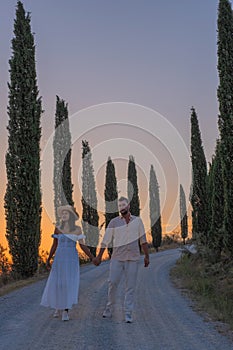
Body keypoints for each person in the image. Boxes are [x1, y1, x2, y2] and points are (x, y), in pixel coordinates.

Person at [94, 196, 150, 323]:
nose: (122, 208)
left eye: (124, 205)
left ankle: (128, 313)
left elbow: (143, 240)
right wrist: (99, 256)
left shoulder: (138, 221)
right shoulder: (114, 222)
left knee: (130, 286)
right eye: (119, 206)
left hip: (133, 258)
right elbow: (106, 240)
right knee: (112, 283)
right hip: (117, 258)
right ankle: (109, 308)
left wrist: (147, 256)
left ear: (129, 205)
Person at [40, 205, 97, 321]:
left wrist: (92, 257)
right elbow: (54, 245)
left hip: (71, 258)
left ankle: (65, 310)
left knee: (67, 283)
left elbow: (82, 245)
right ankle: (57, 306)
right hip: (60, 258)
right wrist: (48, 258)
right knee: (58, 283)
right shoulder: (58, 228)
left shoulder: (77, 230)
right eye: (63, 213)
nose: (64, 215)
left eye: (67, 213)